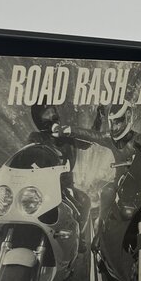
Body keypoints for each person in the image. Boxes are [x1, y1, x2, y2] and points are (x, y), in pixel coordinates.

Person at [58, 101, 141, 250]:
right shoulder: (110, 139)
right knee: (106, 192)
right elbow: (92, 135)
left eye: (118, 122)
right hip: (120, 182)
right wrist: (69, 130)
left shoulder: (140, 139)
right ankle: (99, 234)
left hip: (140, 182)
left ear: (128, 117)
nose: (115, 127)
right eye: (112, 122)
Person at [28, 104, 92, 252]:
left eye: (53, 111)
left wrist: (99, 120)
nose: (52, 115)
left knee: (84, 201)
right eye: (47, 113)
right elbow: (29, 154)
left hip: (65, 187)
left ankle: (79, 238)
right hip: (43, 187)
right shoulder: (36, 137)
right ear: (39, 119)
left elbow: (87, 142)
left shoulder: (68, 137)